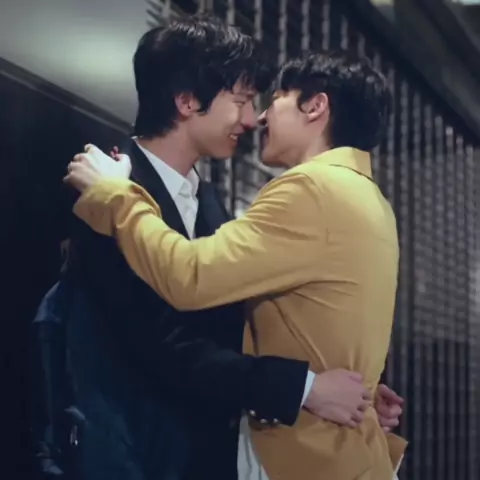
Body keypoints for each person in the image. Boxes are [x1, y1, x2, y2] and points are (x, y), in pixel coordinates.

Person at [41, 15, 402, 480]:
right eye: (242, 100)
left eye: (267, 99)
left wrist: (336, 385)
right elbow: (158, 340)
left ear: (317, 108)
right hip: (131, 453)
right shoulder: (104, 188)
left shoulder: (239, 197)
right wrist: (306, 387)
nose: (255, 118)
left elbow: (212, 303)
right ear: (187, 101)